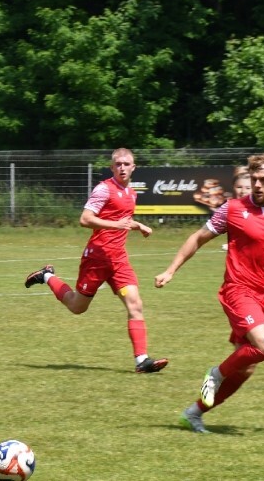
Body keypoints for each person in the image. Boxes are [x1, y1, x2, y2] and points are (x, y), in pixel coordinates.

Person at [154, 152, 264, 433]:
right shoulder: (233, 209)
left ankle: (193, 413)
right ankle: (215, 374)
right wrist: (171, 270)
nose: (258, 185)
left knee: (247, 366)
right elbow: (197, 238)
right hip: (238, 290)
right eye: (254, 179)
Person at [24, 147, 169, 373]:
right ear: (112, 167)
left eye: (126, 164)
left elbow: (123, 219)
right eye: (118, 164)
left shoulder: (131, 193)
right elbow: (85, 219)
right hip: (97, 257)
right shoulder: (104, 189)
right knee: (76, 306)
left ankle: (142, 361)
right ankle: (47, 275)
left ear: (133, 167)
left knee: (135, 305)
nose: (122, 167)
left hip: (118, 259)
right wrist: (116, 225)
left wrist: (138, 225)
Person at [221, 170, 252, 251]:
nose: (243, 191)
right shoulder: (228, 208)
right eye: (239, 187)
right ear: (233, 187)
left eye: (248, 188)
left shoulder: (261, 207)